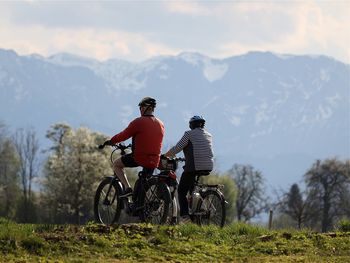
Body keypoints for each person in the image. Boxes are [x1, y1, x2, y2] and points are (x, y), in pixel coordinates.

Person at [102, 97, 165, 197]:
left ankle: (127, 188)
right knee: (143, 184)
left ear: (144, 108)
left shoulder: (138, 122)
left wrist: (111, 141)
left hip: (139, 158)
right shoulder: (161, 124)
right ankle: (141, 206)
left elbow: (124, 135)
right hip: (155, 159)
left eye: (140, 108)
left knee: (116, 164)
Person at [165, 115, 214, 222]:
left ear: (191, 125)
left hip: (194, 166)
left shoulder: (189, 134)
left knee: (182, 191)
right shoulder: (209, 135)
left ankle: (185, 216)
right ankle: (198, 206)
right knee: (192, 186)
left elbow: (177, 148)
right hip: (208, 166)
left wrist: (165, 155)